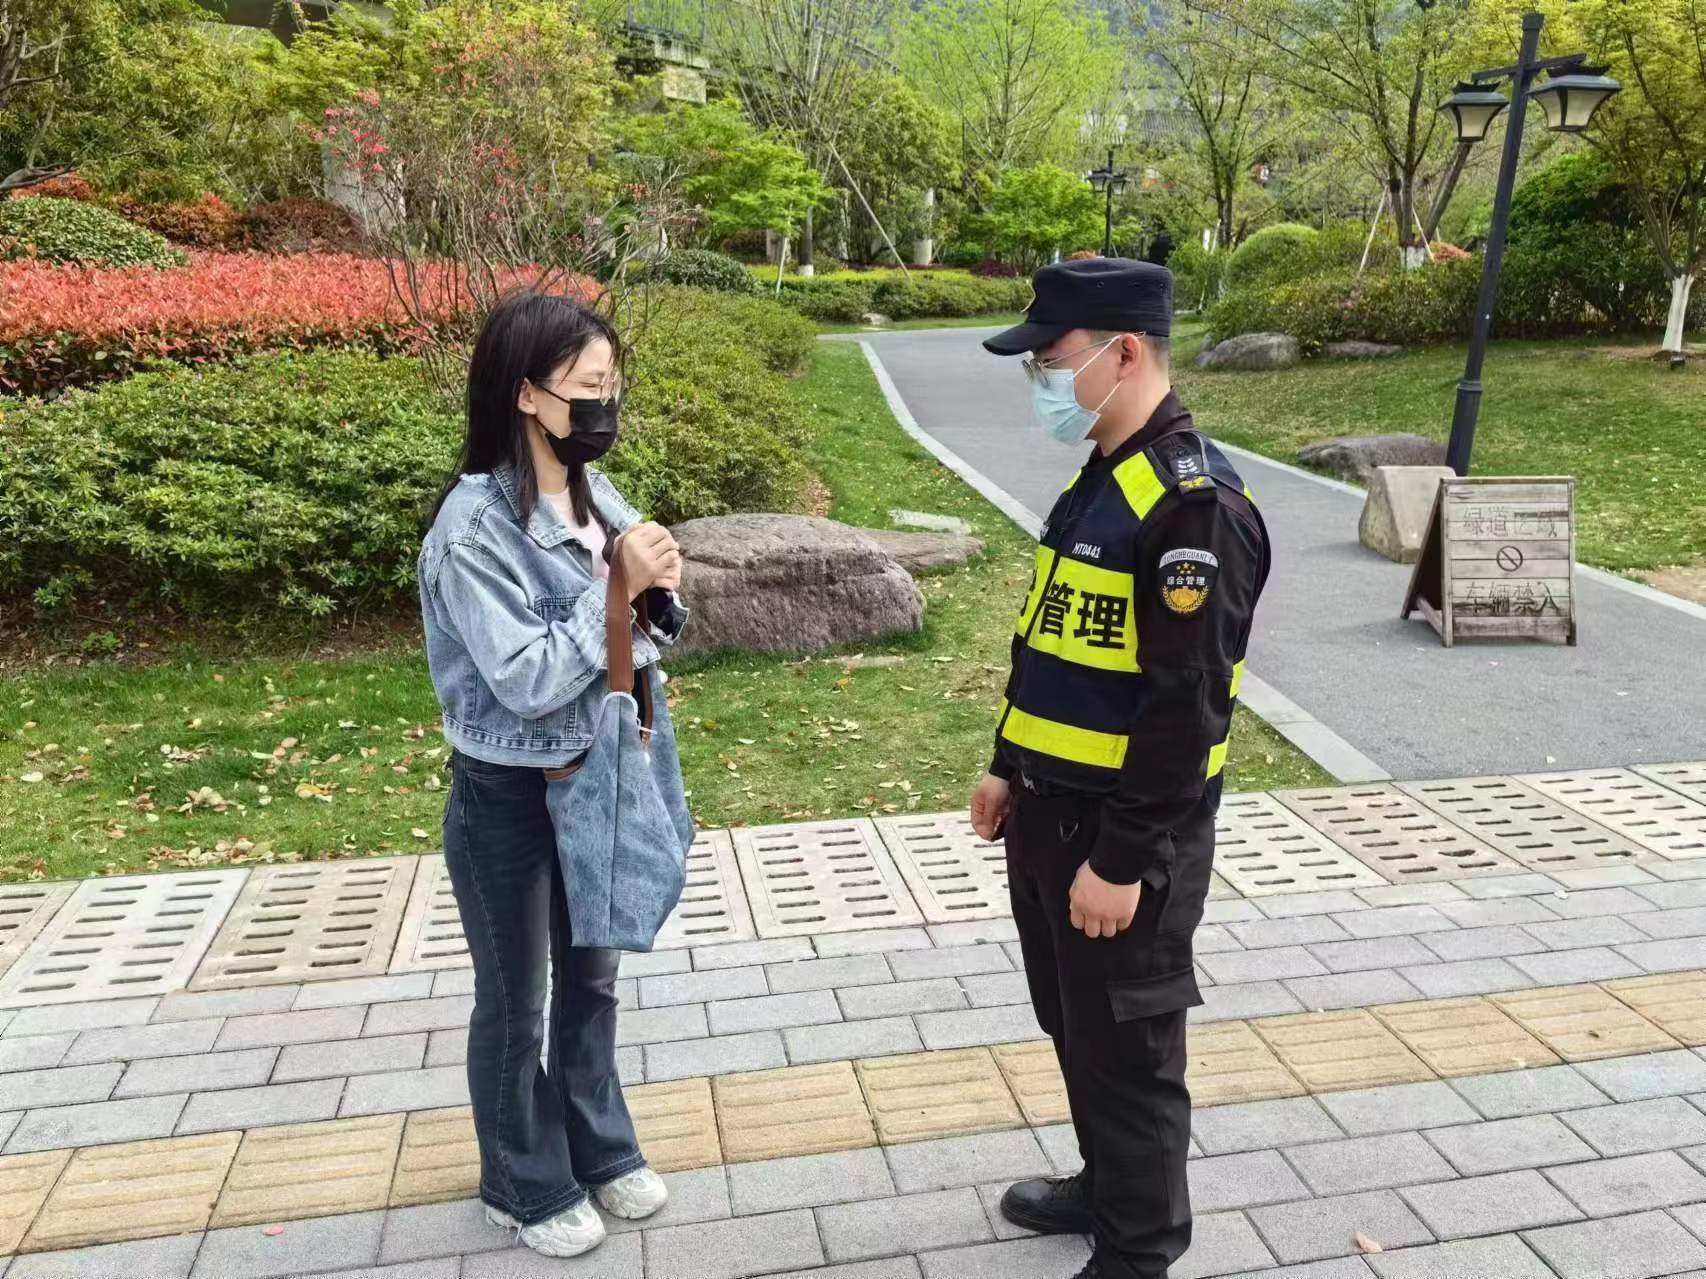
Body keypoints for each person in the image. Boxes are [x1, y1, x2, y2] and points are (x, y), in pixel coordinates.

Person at [967, 258, 1271, 1279]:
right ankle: (1107, 1186)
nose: (1040, 381)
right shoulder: (1103, 476)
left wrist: (1122, 858)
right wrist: (1007, 763)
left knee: (1130, 1051)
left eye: (1050, 360)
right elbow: (1052, 643)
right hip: (1049, 815)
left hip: (1121, 836)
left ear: (1123, 352)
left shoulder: (1191, 506)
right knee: (1076, 1025)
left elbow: (1186, 709)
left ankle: (1138, 1250)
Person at [417, 291, 688, 1259]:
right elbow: (527, 679)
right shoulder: (470, 529)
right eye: (587, 387)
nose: (603, 405)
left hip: (598, 775)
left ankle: (597, 1144)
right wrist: (616, 588)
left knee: (593, 975)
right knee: (516, 997)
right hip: (509, 796)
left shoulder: (593, 492)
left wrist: (654, 592)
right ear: (526, 394)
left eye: (611, 385)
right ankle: (520, 1177)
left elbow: (645, 627)